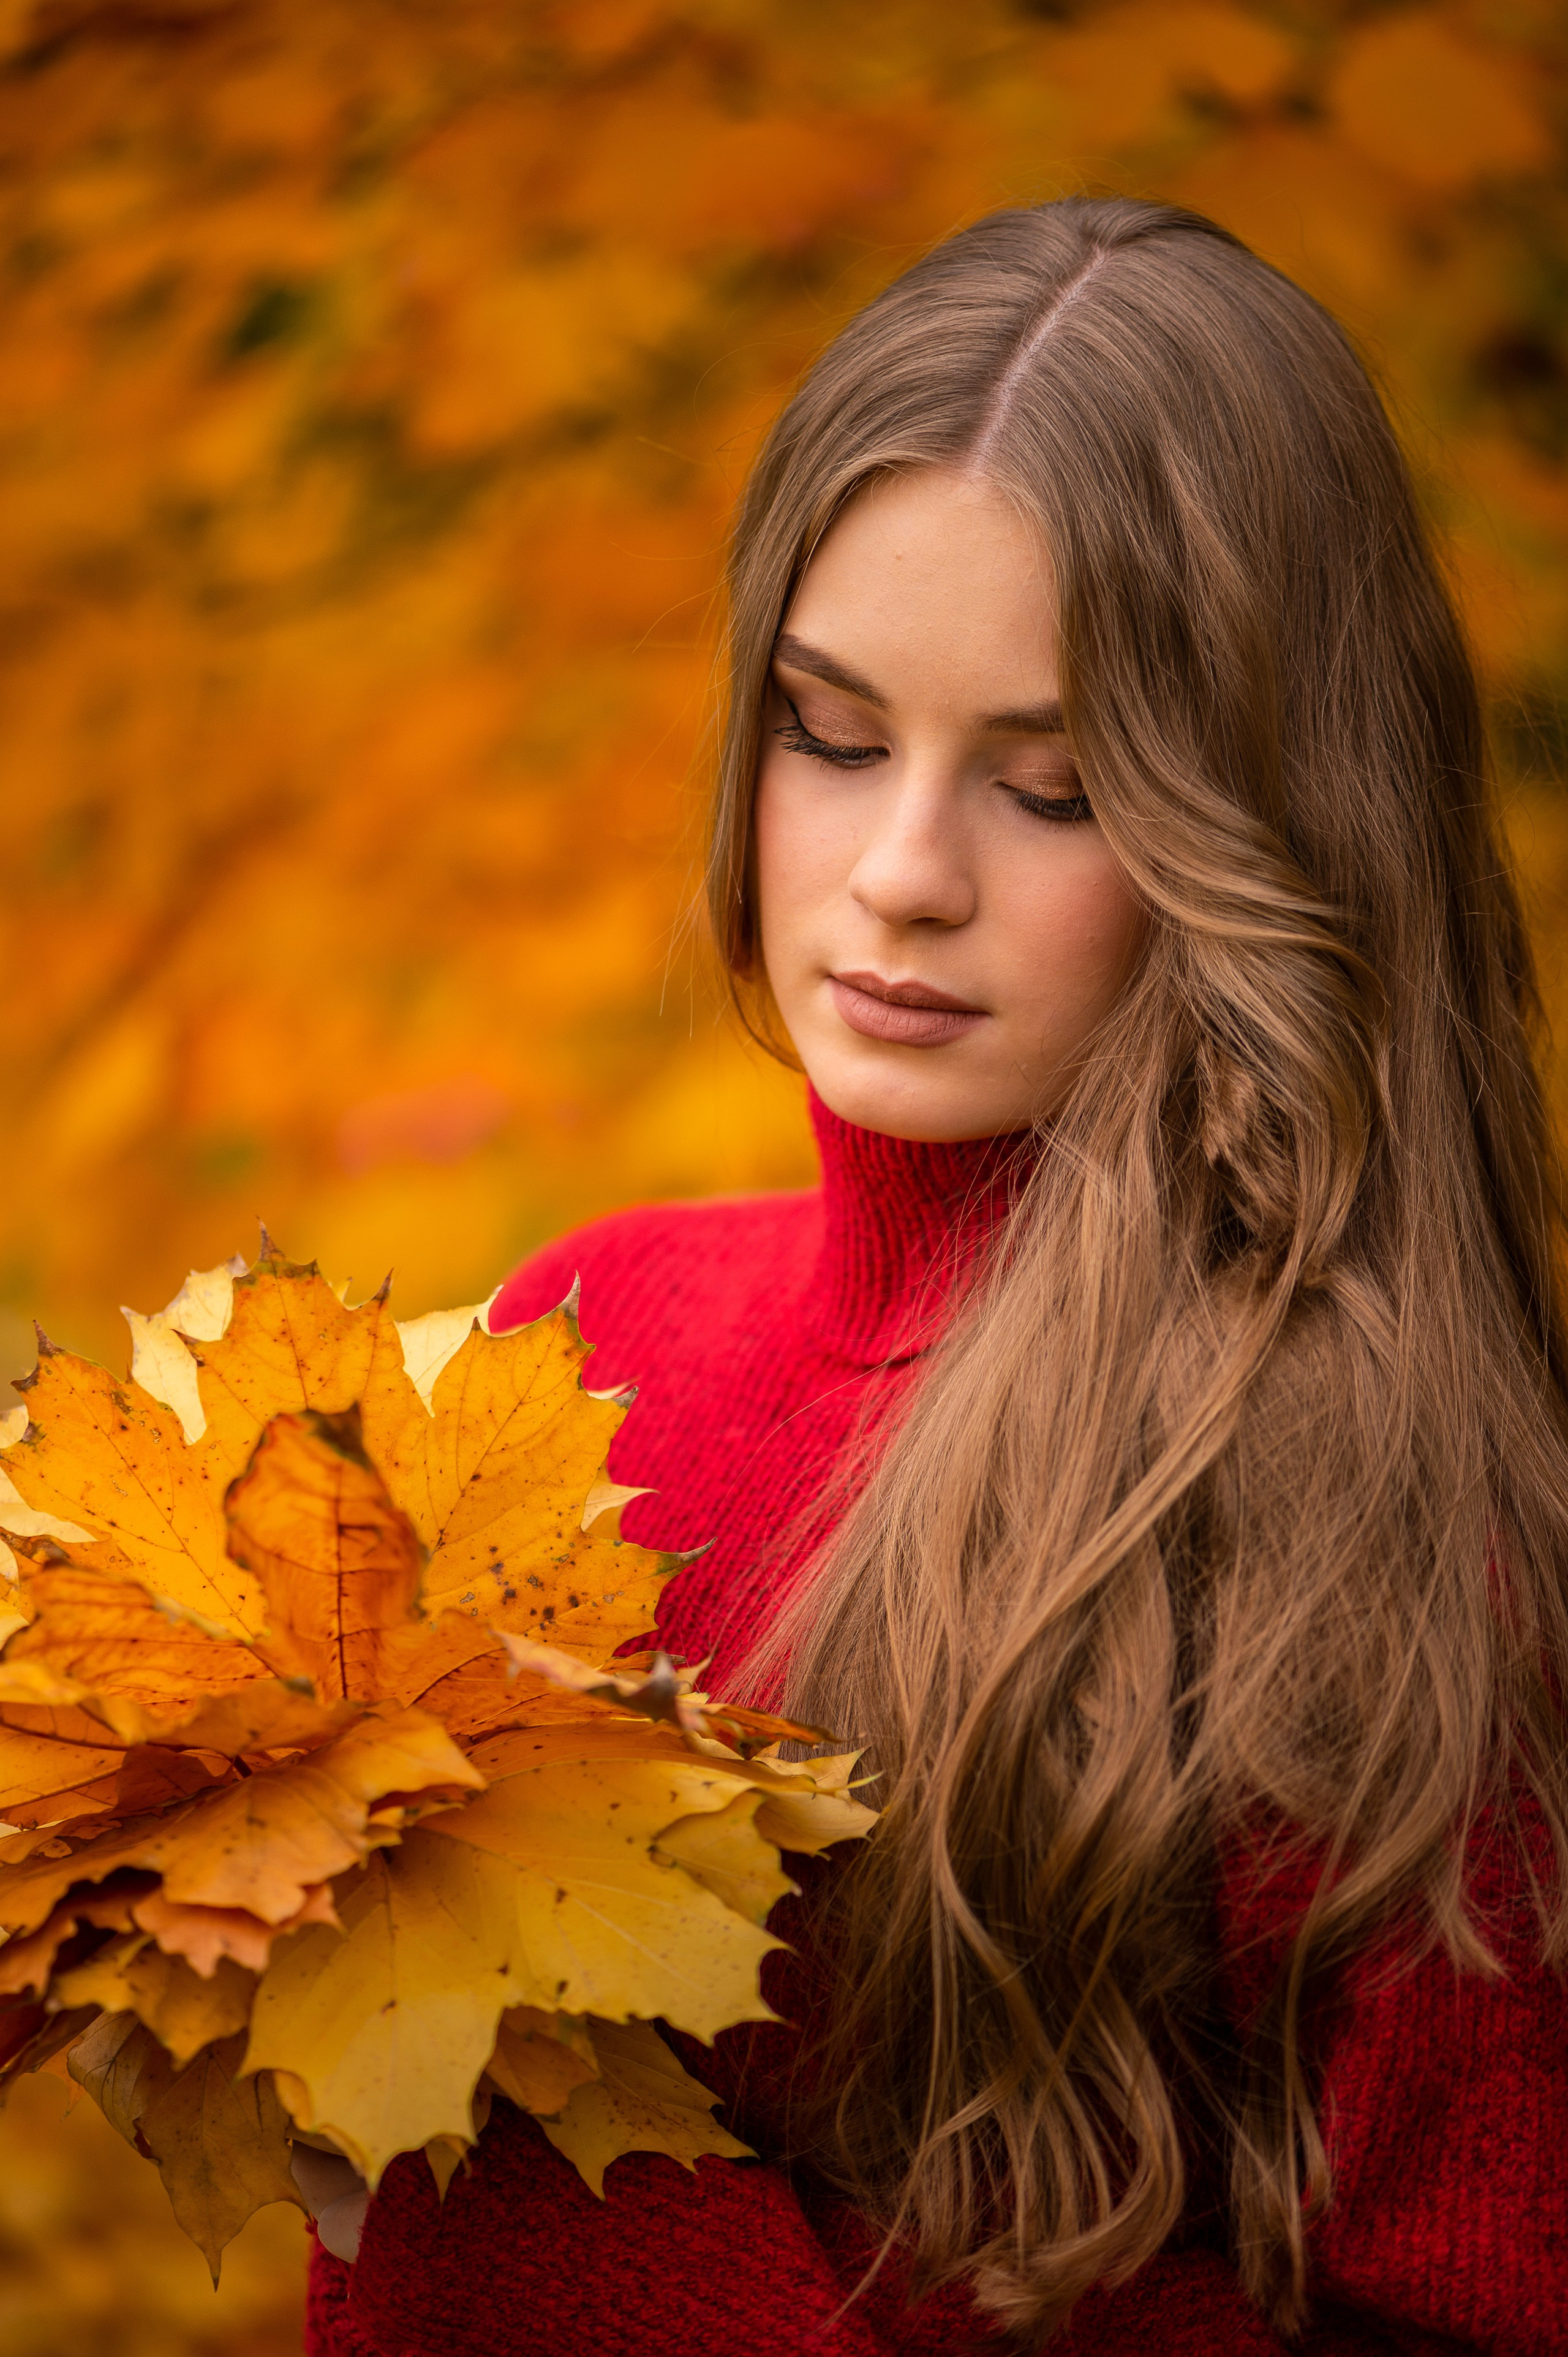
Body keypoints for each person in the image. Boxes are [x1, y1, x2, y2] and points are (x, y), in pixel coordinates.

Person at [301, 198, 1568, 2356]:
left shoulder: (1385, 1528)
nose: (903, 874)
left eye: (1055, 786)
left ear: (1269, 834)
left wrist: (517, 2201)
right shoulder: (570, 1342)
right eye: (831, 730)